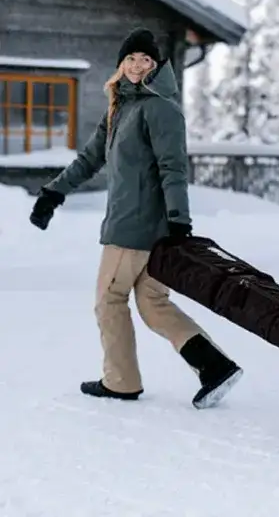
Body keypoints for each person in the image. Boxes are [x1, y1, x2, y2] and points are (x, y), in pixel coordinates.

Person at [28, 27, 243, 409]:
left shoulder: (159, 107)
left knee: (108, 300)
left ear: (156, 65)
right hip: (141, 225)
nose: (138, 65)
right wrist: (53, 192)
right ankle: (215, 366)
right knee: (152, 302)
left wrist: (179, 222)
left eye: (146, 59)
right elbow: (89, 159)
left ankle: (121, 381)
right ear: (121, 63)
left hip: (134, 227)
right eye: (131, 58)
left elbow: (173, 168)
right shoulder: (121, 106)